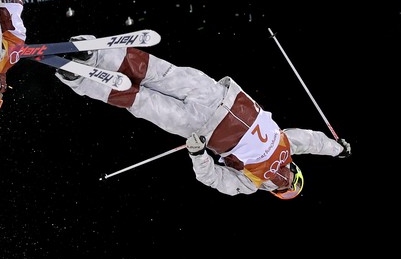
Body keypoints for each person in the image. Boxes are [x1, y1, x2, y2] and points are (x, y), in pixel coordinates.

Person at [55, 38, 351, 198]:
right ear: (294, 174)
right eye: (287, 183)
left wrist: (198, 154)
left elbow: (212, 178)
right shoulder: (287, 146)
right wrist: (338, 149)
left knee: (141, 100)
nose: (278, 182)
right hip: (217, 96)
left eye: (279, 189)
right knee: (158, 73)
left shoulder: (249, 184)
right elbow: (314, 141)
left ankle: (80, 78)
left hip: (201, 128)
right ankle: (95, 57)